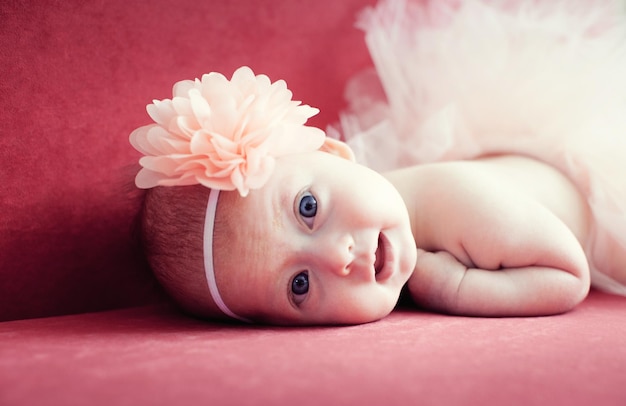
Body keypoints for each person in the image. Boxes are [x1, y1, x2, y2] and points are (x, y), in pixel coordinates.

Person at [132, 0, 626, 325]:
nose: (337, 258)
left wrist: (455, 288)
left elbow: (567, 275)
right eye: (299, 286)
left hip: (603, 203)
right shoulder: (379, 228)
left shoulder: (458, 196)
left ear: (332, 152)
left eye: (307, 208)